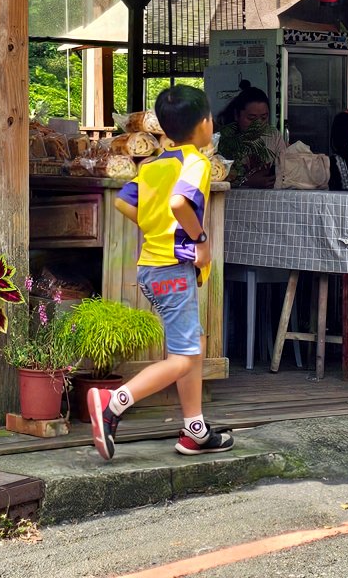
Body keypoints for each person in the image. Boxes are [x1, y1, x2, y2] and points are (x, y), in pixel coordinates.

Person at [88, 85, 234, 461]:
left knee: (191, 346)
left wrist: (156, 228)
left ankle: (194, 429)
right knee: (185, 356)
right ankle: (114, 402)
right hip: (173, 268)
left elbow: (124, 202)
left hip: (152, 267)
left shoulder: (153, 164)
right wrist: (199, 240)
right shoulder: (196, 163)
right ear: (204, 124)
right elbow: (179, 202)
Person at [214, 82, 286, 188]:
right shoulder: (223, 139)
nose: (258, 124)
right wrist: (245, 181)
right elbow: (214, 177)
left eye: (264, 118)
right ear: (236, 115)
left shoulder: (273, 135)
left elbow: (285, 166)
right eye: (251, 118)